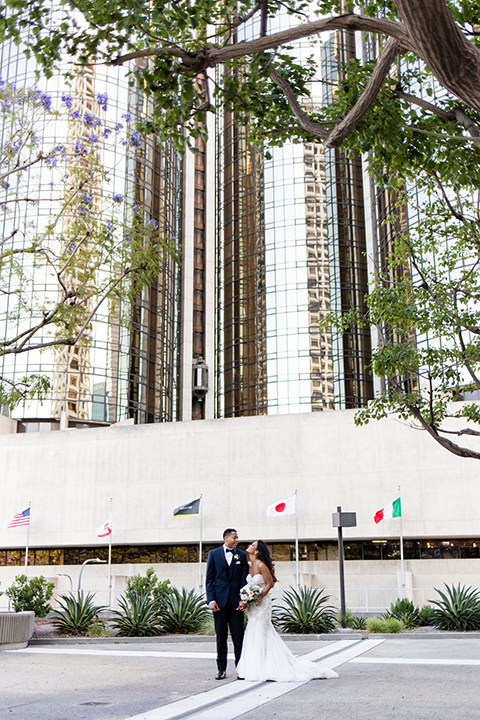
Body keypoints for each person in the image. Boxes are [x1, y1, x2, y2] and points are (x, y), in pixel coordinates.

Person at [236, 540, 339, 682]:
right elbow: (250, 585)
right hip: (253, 606)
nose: (249, 546)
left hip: (262, 603)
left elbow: (270, 583)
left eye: (252, 545)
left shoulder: (261, 564)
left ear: (257, 551)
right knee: (253, 631)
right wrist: (247, 598)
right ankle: (256, 666)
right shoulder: (250, 565)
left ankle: (270, 666)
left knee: (261, 630)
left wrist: (259, 596)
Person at [206, 528, 249, 680]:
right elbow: (209, 580)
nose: (237, 540)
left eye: (237, 537)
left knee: (239, 638)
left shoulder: (242, 556)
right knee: (221, 637)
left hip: (236, 604)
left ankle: (241, 669)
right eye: (234, 537)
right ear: (226, 538)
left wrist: (244, 600)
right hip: (219, 603)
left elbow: (245, 580)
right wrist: (211, 600)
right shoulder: (213, 554)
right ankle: (221, 669)